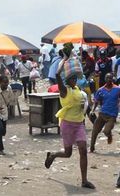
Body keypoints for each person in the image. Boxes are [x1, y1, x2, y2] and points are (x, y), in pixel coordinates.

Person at [44, 60, 95, 189]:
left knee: (83, 150)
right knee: (68, 153)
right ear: (67, 80)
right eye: (72, 78)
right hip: (67, 124)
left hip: (79, 124)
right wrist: (64, 59)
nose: (75, 80)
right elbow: (56, 75)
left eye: (75, 78)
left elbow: (84, 105)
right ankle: (53, 155)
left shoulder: (78, 90)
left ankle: (84, 180)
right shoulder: (64, 90)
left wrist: (91, 115)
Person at [89, 73, 120, 152]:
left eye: (110, 78)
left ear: (113, 79)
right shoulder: (100, 90)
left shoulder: (117, 89)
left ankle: (109, 135)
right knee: (95, 131)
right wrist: (92, 110)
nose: (109, 80)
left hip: (112, 115)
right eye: (107, 78)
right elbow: (96, 102)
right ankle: (92, 148)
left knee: (106, 131)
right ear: (105, 79)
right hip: (102, 114)